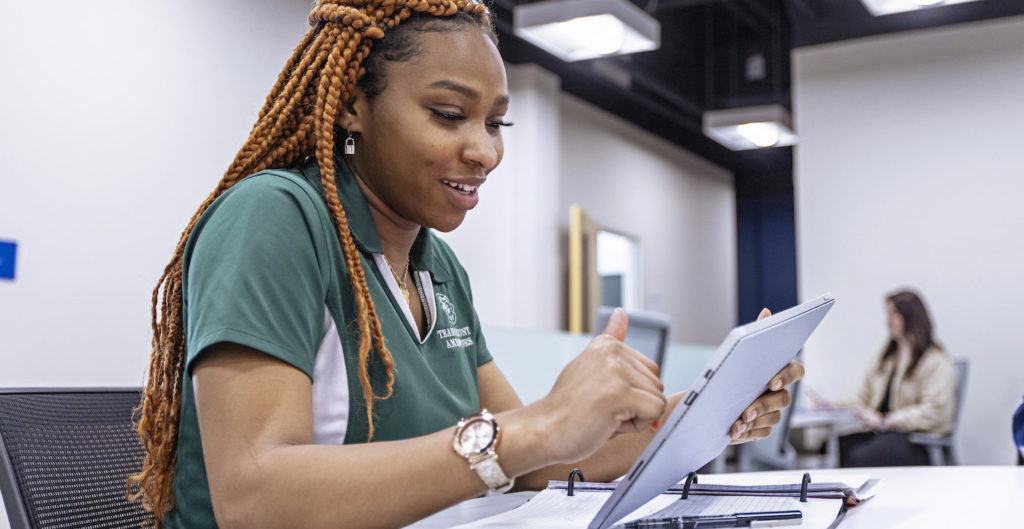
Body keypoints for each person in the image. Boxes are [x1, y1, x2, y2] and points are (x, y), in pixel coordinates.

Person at [128, 1, 804, 528]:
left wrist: (712, 408)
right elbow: (254, 496)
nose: (485, 151)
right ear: (354, 106)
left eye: (496, 123)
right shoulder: (275, 217)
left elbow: (551, 460)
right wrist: (530, 429)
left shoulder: (437, 266)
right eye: (450, 114)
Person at [838, 290, 957, 467]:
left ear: (910, 317)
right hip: (886, 433)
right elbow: (864, 396)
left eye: (893, 314)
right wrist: (833, 405)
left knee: (859, 458)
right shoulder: (886, 358)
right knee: (833, 447)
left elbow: (936, 412)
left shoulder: (935, 361)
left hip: (915, 439)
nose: (888, 321)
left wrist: (887, 421)